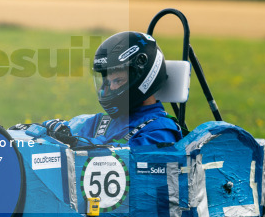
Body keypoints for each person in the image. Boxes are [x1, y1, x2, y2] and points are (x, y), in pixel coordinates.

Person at [17, 32, 182, 148]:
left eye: (117, 81)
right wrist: (39, 130)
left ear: (144, 77)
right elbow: (71, 129)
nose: (110, 88)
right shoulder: (102, 122)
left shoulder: (161, 131)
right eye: (108, 82)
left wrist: (74, 143)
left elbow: (123, 159)